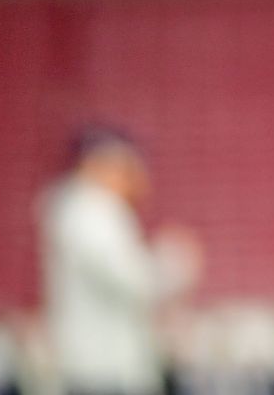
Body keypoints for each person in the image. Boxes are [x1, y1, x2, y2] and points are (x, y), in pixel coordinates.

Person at [39, 128, 200, 395]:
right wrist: (175, 262)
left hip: (101, 366)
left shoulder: (83, 211)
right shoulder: (91, 212)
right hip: (104, 370)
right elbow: (134, 281)